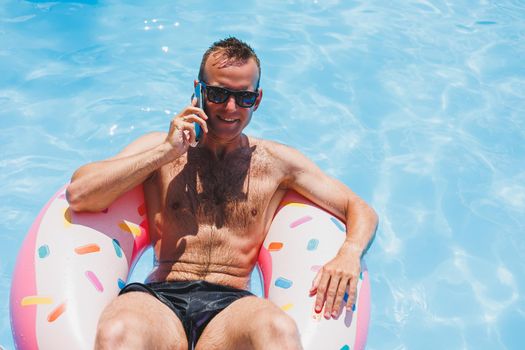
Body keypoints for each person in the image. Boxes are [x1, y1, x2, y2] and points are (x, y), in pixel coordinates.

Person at [66, 37, 378, 350]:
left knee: (277, 329)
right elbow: (80, 193)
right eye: (217, 94)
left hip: (231, 308)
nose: (230, 108)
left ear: (257, 100)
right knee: (118, 331)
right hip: (160, 298)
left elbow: (358, 207)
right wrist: (165, 151)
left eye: (243, 98)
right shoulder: (159, 148)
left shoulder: (277, 163)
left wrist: (349, 252)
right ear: (198, 90)